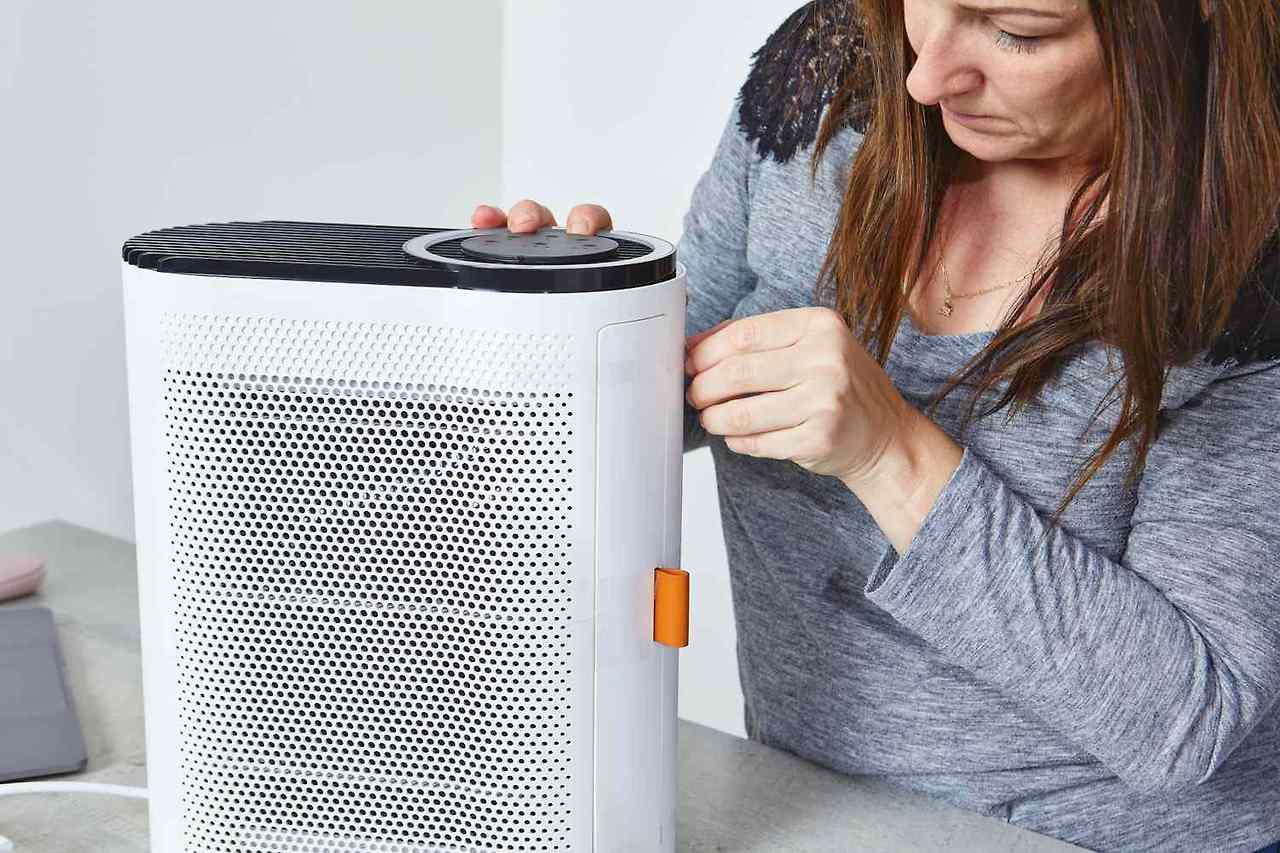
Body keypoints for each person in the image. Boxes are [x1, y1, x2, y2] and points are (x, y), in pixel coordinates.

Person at [473, 1, 1280, 851]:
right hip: (799, 806)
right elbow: (673, 386)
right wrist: (560, 336)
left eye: (1018, 32)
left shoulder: (1251, 251)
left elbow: (1189, 717)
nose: (926, 77)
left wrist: (891, 452)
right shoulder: (826, 75)